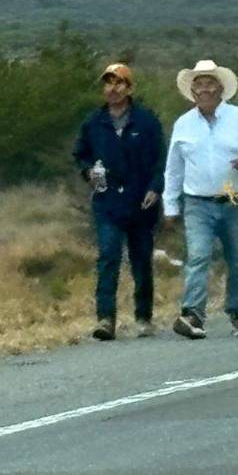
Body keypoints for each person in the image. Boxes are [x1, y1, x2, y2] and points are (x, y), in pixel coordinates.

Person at [164, 59, 238, 339]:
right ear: (192, 91)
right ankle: (193, 314)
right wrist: (170, 204)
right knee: (199, 256)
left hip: (232, 196)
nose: (203, 90)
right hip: (197, 201)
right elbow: (174, 168)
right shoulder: (184, 125)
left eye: (208, 84)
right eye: (198, 85)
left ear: (220, 88)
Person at [73, 64, 166, 341]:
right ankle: (105, 319)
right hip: (108, 201)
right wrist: (88, 171)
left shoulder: (146, 121)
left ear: (130, 88)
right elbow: (80, 154)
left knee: (141, 261)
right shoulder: (94, 123)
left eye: (119, 84)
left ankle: (143, 317)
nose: (112, 89)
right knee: (108, 257)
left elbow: (161, 160)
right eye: (108, 84)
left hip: (141, 202)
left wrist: (155, 188)